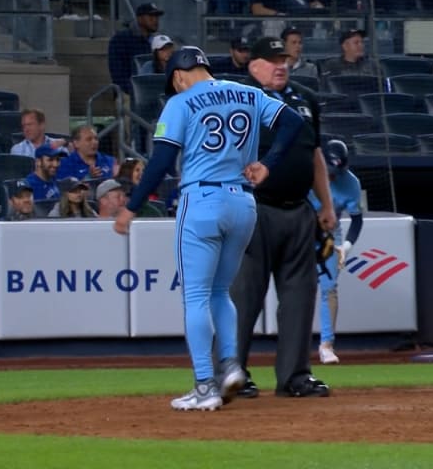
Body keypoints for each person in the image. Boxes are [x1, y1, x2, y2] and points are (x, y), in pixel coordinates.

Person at [113, 45, 302, 409]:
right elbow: (294, 123)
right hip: (244, 203)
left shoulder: (180, 103)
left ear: (179, 75)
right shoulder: (248, 93)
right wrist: (268, 163)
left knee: (196, 296)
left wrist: (131, 207)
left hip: (202, 200)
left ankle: (204, 385)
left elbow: (162, 161)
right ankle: (230, 366)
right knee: (220, 292)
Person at [231, 36, 336, 400]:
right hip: (252, 209)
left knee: (300, 296)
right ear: (253, 65)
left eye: (284, 58)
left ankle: (294, 376)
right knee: (244, 296)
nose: (281, 65)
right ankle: (231, 373)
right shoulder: (238, 99)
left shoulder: (304, 99)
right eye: (271, 59)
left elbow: (315, 155)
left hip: (298, 209)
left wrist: (326, 205)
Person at [308, 139, 363, 365]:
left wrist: (345, 246)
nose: (331, 176)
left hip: (330, 232)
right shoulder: (307, 173)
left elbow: (357, 221)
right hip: (300, 228)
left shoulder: (350, 183)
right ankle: (294, 344)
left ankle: (326, 345)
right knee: (297, 286)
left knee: (329, 288)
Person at [108, 2, 163, 95]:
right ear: (139, 18)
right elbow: (117, 71)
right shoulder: (121, 39)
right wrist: (134, 91)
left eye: (157, 17)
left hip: (155, 92)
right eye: (151, 16)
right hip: (129, 93)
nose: (155, 20)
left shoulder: (156, 41)